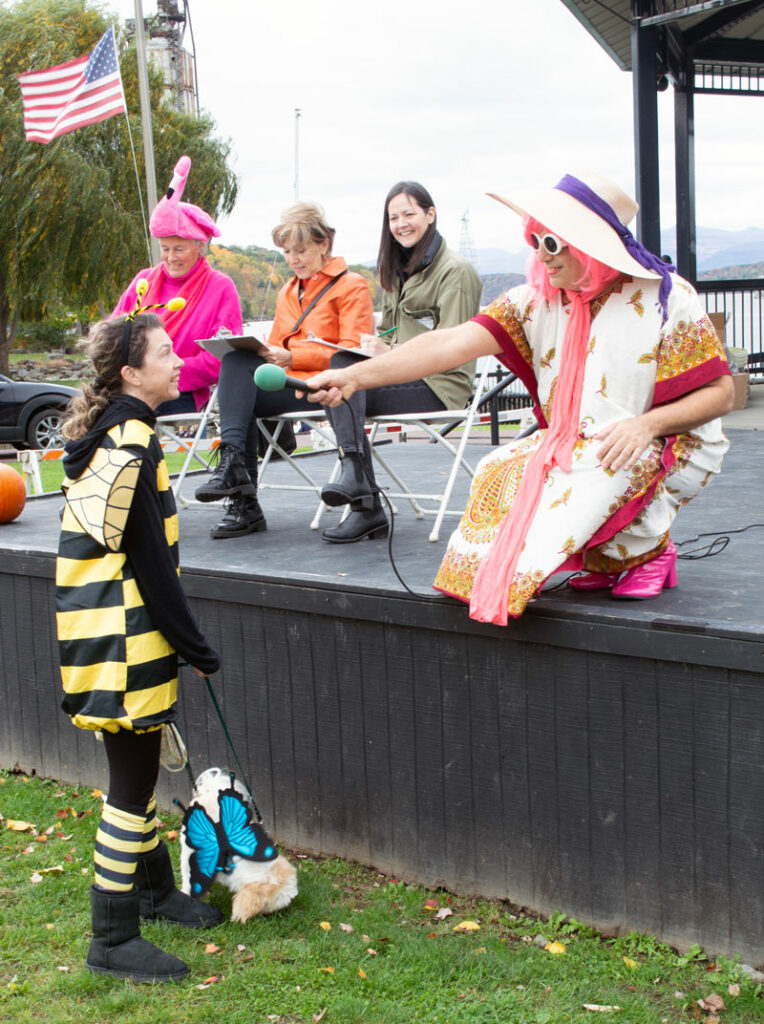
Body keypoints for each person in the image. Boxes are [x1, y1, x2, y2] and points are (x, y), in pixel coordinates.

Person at [306, 171, 734, 623]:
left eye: (550, 242)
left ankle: (649, 554)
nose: (540, 255)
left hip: (660, 439)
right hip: (577, 440)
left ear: (587, 243)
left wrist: (646, 424)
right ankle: (607, 559)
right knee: (498, 471)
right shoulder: (535, 300)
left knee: (595, 473)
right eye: (535, 239)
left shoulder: (667, 296)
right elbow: (447, 344)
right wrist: (356, 376)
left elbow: (721, 394)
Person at [56, 310, 222, 982]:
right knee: (131, 783)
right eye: (164, 352)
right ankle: (113, 937)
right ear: (130, 373)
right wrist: (195, 644)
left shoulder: (119, 433)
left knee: (141, 766)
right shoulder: (132, 443)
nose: (178, 360)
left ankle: (153, 893)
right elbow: (149, 562)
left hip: (101, 636)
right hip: (123, 641)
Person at [193, 201, 374, 539]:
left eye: (301, 249)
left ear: (324, 244)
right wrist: (263, 353)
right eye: (288, 251)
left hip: (329, 385)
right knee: (235, 362)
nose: (294, 258)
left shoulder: (352, 285)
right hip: (292, 386)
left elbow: (353, 353)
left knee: (240, 391)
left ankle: (241, 496)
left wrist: (292, 357)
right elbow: (276, 347)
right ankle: (235, 473)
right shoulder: (287, 292)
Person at [318, 181, 483, 543]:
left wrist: (391, 353)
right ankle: (358, 484)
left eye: (409, 214)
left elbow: (453, 346)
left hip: (441, 385)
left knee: (342, 384)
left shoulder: (456, 272)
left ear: (430, 214)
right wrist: (377, 346)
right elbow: (391, 333)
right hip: (400, 373)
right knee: (341, 365)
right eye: (393, 217)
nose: (401, 223)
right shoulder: (395, 270)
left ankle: (363, 499)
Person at [113, 155, 242, 416]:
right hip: (131, 387)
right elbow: (113, 336)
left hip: (179, 391)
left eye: (179, 249)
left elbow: (223, 358)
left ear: (199, 246)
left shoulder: (221, 287)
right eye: (165, 248)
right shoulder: (143, 280)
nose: (171, 257)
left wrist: (160, 376)